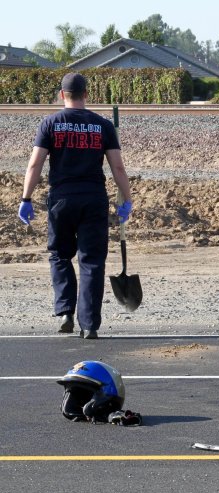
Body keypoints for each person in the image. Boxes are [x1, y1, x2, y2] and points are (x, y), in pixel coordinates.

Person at [17, 72, 133, 340]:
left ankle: (66, 311)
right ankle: (89, 324)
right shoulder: (102, 125)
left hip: (62, 199)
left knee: (59, 254)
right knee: (92, 261)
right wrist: (126, 199)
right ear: (86, 95)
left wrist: (26, 198)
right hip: (93, 200)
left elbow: (35, 164)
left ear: (62, 95)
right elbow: (118, 167)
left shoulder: (50, 123)